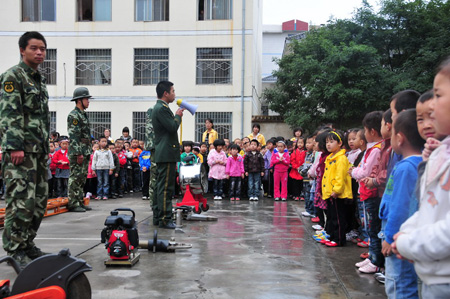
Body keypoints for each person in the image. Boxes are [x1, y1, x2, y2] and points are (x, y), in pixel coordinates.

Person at [392, 57, 450, 299]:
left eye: (438, 95)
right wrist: (405, 232)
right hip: (432, 273)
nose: (431, 106)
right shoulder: (440, 153)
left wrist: (406, 242)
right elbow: (427, 207)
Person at [0, 31, 50, 266]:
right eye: (34, 48)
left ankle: (27, 243)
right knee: (20, 201)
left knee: (38, 202)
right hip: (21, 152)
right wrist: (14, 147)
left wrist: (45, 150)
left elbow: (42, 120)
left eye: (42, 49)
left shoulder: (38, 80)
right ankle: (14, 249)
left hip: (38, 153)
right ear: (22, 50)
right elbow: (10, 114)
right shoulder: (13, 77)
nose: (39, 52)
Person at [376, 109, 424, 298]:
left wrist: (389, 238)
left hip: (398, 237)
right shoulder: (421, 163)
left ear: (400, 138)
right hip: (407, 234)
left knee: (398, 283)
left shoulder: (405, 167)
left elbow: (400, 207)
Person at [352, 111, 384, 274]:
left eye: (364, 131)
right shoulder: (373, 149)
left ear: (372, 131)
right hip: (366, 192)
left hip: (371, 193)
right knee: (371, 227)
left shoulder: (377, 150)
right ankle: (372, 257)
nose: (363, 135)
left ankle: (376, 261)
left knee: (373, 228)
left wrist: (354, 172)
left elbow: (365, 172)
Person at [152, 80, 184, 229]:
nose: (174, 94)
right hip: (166, 153)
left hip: (164, 152)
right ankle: (165, 218)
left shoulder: (161, 107)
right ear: (165, 93)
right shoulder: (162, 108)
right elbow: (172, 127)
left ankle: (159, 216)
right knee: (166, 188)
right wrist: (178, 116)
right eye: (173, 91)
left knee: (161, 187)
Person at [321, 131, 353, 247]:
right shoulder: (330, 157)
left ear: (340, 143)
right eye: (326, 142)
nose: (328, 144)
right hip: (330, 193)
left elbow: (340, 176)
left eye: (331, 142)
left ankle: (339, 239)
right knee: (332, 216)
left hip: (337, 194)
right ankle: (333, 236)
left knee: (338, 218)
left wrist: (337, 190)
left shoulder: (341, 158)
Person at [67, 87, 93, 212]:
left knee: (82, 177)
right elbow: (74, 136)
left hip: (85, 149)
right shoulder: (74, 116)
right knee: (75, 177)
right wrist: (78, 153)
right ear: (79, 100)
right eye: (86, 99)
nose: (88, 101)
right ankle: (73, 202)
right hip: (78, 151)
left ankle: (79, 201)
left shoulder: (83, 114)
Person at [300, 135, 316, 217]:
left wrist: (303, 171)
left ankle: (311, 210)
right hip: (305, 178)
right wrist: (301, 169)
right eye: (306, 143)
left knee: (310, 195)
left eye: (309, 143)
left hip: (310, 178)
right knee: (306, 195)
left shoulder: (314, 154)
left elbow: (312, 166)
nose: (307, 145)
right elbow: (305, 164)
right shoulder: (308, 154)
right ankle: (308, 209)